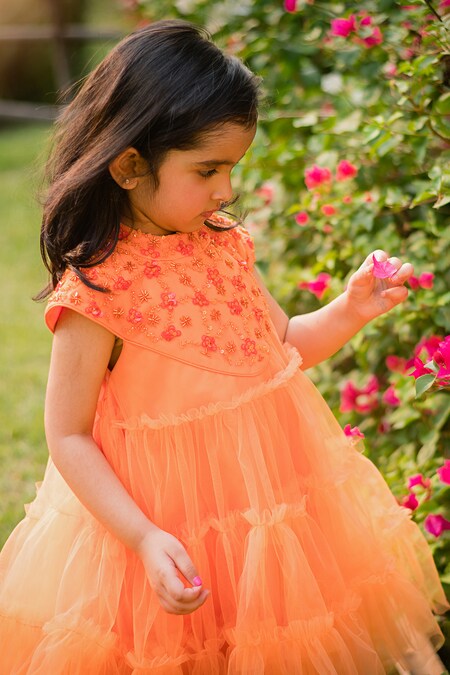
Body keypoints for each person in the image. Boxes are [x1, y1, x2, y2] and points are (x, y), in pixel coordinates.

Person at [0, 19, 447, 675]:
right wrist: (144, 538)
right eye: (208, 170)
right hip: (163, 532)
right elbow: (68, 435)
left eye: (231, 169)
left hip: (268, 521)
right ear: (129, 165)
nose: (227, 191)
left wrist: (352, 309)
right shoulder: (97, 289)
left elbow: (282, 346)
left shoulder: (221, 242)